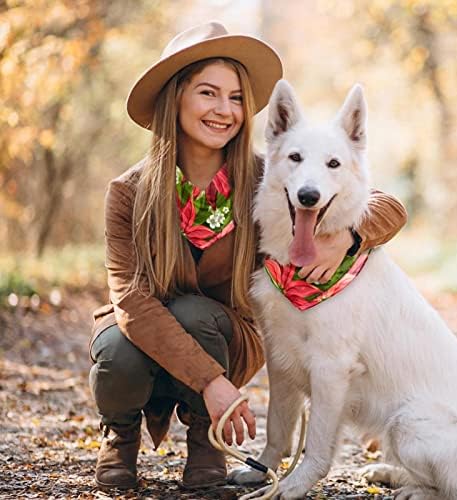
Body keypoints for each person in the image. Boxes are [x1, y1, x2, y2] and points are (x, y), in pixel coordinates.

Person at [88, 21, 407, 491]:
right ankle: (120, 435)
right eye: (208, 93)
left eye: (236, 98)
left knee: (196, 313)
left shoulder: (270, 174)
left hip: (225, 334)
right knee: (116, 345)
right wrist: (211, 381)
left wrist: (349, 234)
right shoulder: (128, 193)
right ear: (175, 98)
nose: (225, 110)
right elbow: (132, 303)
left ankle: (206, 443)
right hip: (146, 341)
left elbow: (386, 205)